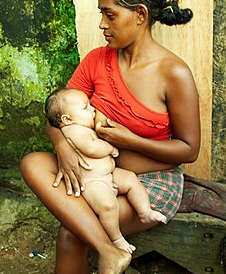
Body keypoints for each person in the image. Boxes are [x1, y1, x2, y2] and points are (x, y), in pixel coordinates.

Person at [6, 0, 200, 274]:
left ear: (141, 15)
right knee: (31, 162)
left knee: (71, 232)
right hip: (97, 172)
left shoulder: (174, 74)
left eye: (110, 14)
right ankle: (111, 249)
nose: (102, 23)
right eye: (101, 13)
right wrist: (62, 145)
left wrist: (127, 140)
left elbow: (188, 149)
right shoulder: (97, 61)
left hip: (148, 184)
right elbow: (57, 111)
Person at [45, 87, 167, 255]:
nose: (92, 109)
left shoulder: (82, 128)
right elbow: (91, 148)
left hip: (108, 175)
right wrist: (109, 147)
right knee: (108, 206)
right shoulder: (73, 130)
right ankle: (116, 240)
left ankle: (144, 211)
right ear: (67, 119)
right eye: (85, 107)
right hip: (93, 183)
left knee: (130, 179)